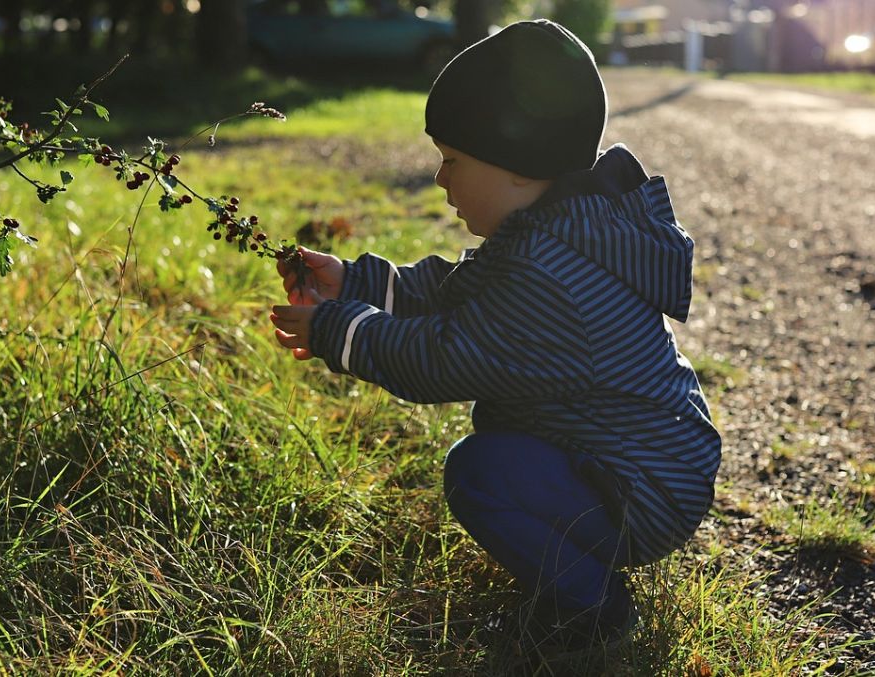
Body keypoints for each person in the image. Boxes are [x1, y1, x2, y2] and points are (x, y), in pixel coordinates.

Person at [269, 19, 722, 651]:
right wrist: (354, 282)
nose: (439, 179)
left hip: (641, 485)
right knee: (500, 450)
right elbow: (453, 291)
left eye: (452, 160)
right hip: (643, 462)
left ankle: (594, 610)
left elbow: (442, 358)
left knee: (481, 472)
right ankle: (573, 565)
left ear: (515, 167)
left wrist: (339, 331)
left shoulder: (551, 277)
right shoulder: (553, 235)